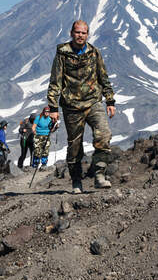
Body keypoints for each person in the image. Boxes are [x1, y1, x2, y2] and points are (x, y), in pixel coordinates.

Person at [47, 19, 116, 194]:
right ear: (71, 33)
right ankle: (76, 181)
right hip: (71, 107)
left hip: (93, 102)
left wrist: (110, 100)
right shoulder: (63, 54)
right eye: (77, 32)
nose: (80, 35)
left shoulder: (94, 53)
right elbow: (56, 81)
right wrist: (53, 108)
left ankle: (99, 175)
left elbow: (103, 77)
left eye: (84, 33)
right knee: (74, 146)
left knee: (104, 135)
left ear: (88, 34)